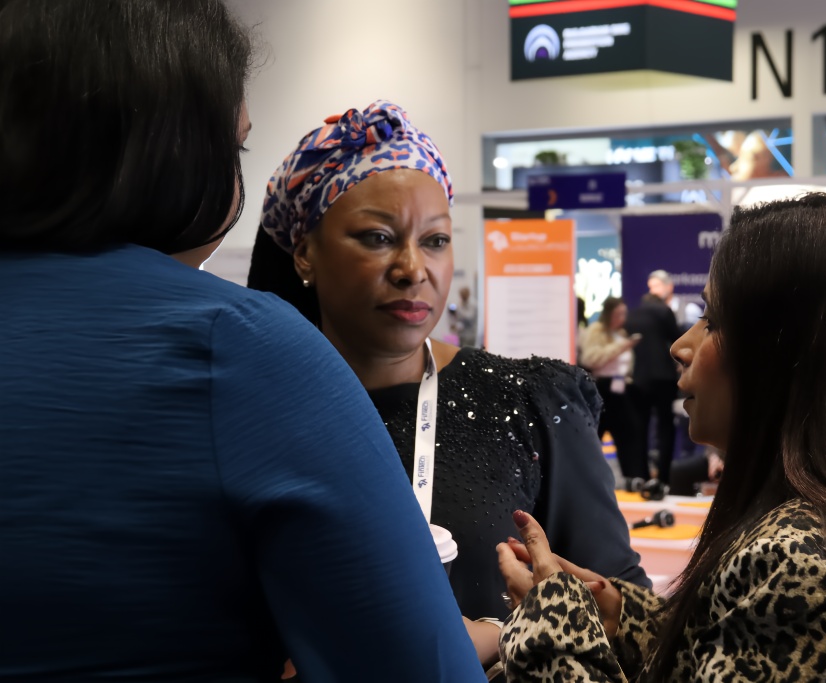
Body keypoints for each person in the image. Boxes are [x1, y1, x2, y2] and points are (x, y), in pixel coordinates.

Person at [0, 3, 485, 681]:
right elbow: (422, 667)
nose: (412, 269)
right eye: (234, 149)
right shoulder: (243, 349)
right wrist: (499, 634)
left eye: (436, 239)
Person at [496, 193, 826, 682]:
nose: (682, 346)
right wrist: (619, 615)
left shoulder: (807, 559)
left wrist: (552, 633)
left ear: (795, 356)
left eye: (712, 320)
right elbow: (747, 652)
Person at [248, 101, 648, 672]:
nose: (413, 269)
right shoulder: (256, 412)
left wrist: (500, 635)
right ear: (305, 253)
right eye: (378, 237)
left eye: (435, 241)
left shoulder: (529, 402)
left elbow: (624, 619)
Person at [579, 296, 647, 480]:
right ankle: (587, 480)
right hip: (602, 388)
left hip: (621, 388)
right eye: (618, 314)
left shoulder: (622, 333)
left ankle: (633, 480)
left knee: (629, 436)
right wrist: (620, 347)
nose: (622, 318)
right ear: (609, 313)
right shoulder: (597, 331)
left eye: (624, 314)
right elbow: (590, 359)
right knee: (595, 436)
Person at [625, 293, 681, 485]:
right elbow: (677, 340)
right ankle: (664, 477)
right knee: (665, 426)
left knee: (640, 427)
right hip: (663, 376)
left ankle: (642, 475)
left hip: (638, 378)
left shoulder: (631, 315)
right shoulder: (664, 311)